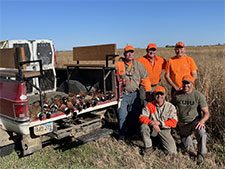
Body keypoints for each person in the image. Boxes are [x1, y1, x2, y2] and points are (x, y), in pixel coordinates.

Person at [116, 45, 151, 138]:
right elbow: (114, 76)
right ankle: (122, 134)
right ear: (124, 54)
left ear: (134, 53)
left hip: (135, 94)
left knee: (134, 115)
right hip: (123, 95)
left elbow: (145, 79)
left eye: (132, 52)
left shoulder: (139, 65)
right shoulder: (119, 64)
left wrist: (148, 92)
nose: (130, 54)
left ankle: (132, 133)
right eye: (128, 52)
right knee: (122, 115)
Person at [173, 75, 210, 165]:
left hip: (194, 122)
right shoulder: (177, 95)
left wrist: (202, 121)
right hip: (182, 124)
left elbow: (206, 113)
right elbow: (171, 108)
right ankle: (190, 141)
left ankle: (201, 154)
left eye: (188, 83)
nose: (186, 85)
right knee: (188, 149)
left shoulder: (198, 95)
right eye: (184, 83)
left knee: (201, 132)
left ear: (192, 84)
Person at [139, 86, 178, 154]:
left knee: (172, 152)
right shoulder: (150, 105)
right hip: (153, 128)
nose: (159, 96)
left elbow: (174, 122)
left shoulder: (170, 107)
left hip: (164, 129)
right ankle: (148, 148)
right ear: (154, 95)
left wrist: (160, 123)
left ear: (165, 95)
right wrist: (152, 123)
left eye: (161, 94)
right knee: (144, 127)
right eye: (157, 94)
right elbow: (142, 117)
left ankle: (158, 147)